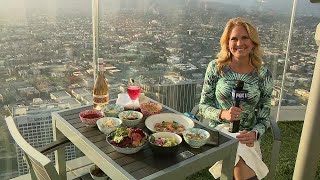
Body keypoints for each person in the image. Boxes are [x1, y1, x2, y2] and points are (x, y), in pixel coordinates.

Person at [199, 17, 273, 180]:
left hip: (248, 134)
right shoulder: (216, 68)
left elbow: (264, 115)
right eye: (234, 38)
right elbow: (203, 106)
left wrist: (255, 133)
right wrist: (223, 114)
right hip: (220, 131)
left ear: (253, 42)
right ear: (227, 43)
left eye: (245, 37)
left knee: (238, 156)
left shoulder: (263, 74)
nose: (240, 43)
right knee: (240, 168)